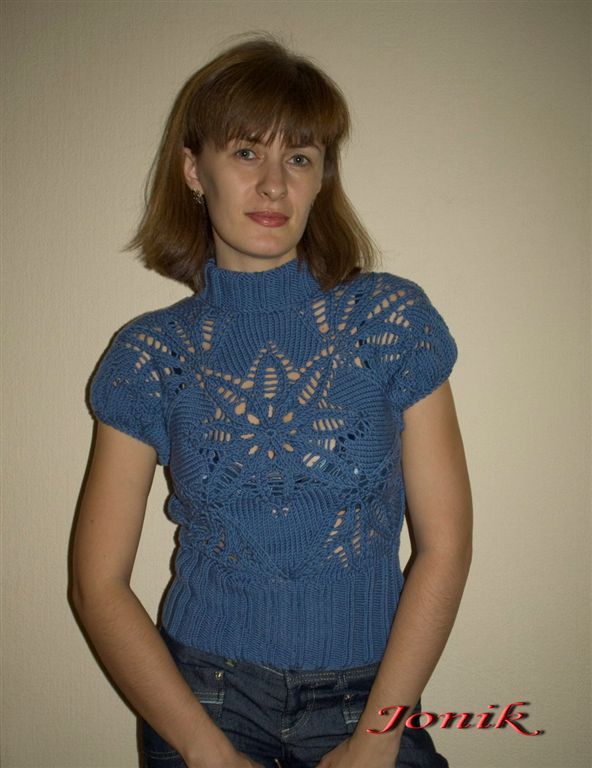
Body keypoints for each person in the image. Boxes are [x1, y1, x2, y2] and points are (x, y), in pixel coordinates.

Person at [72, 36, 472, 768]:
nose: (274, 186)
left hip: (370, 695)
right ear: (193, 171)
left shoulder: (390, 322)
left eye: (300, 158)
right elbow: (97, 585)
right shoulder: (150, 355)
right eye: (246, 152)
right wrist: (205, 751)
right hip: (203, 697)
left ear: (322, 179)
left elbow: (445, 546)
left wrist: (378, 738)